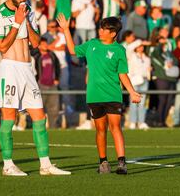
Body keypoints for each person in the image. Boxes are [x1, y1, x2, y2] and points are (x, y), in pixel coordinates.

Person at [0, 0, 70, 176]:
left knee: (39, 117)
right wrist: (16, 24)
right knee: (9, 118)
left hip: (28, 70)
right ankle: (8, 165)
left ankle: (45, 165)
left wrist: (24, 19)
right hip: (9, 69)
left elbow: (35, 43)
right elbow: (2, 47)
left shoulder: (29, 12)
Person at [57, 13, 141, 175]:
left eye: (104, 29)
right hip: (94, 95)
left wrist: (132, 92)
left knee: (115, 127)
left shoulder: (119, 50)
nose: (100, 31)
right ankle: (103, 162)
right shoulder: (92, 44)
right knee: (100, 129)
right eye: (100, 28)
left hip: (113, 95)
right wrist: (66, 30)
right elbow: (73, 50)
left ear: (113, 33)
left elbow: (122, 74)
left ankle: (121, 162)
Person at [151, 36, 178, 127]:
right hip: (161, 78)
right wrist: (160, 44)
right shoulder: (155, 52)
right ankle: (159, 120)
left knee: (169, 101)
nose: (163, 44)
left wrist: (172, 63)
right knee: (162, 100)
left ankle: (163, 121)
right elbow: (155, 55)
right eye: (161, 42)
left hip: (171, 78)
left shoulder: (168, 53)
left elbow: (176, 60)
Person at [34, 38, 60, 128]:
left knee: (54, 109)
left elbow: (57, 66)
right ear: (39, 46)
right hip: (41, 86)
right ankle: (37, 127)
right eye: (43, 44)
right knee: (39, 108)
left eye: (46, 44)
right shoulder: (37, 57)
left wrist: (57, 79)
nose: (45, 45)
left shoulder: (52, 55)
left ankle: (54, 127)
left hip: (52, 85)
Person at [127, 39, 151, 130]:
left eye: (142, 46)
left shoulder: (147, 58)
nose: (141, 48)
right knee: (133, 102)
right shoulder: (132, 56)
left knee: (143, 103)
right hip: (134, 81)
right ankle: (133, 122)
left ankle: (141, 122)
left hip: (144, 81)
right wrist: (140, 41)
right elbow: (129, 48)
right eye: (139, 46)